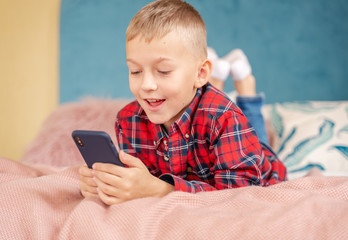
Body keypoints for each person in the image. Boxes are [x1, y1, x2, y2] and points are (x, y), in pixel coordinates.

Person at [79, 0, 287, 205]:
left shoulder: (225, 118)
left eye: (163, 71)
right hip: (209, 153)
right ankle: (217, 81)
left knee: (258, 138)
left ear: (200, 73)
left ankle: (245, 87)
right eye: (135, 71)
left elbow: (237, 198)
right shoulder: (128, 122)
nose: (146, 85)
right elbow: (141, 182)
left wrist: (163, 190)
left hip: (261, 166)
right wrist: (107, 183)